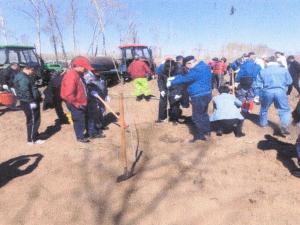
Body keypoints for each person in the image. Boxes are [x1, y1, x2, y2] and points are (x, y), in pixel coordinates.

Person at [168, 57, 212, 142]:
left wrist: (171, 82)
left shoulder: (196, 70)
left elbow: (186, 78)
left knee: (196, 117)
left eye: (186, 66)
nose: (187, 68)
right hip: (206, 94)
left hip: (199, 96)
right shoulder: (203, 66)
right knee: (203, 114)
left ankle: (200, 136)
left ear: (189, 63)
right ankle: (207, 131)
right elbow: (186, 75)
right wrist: (174, 77)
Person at [256, 56, 292, 135]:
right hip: (280, 91)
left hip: (267, 92)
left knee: (264, 108)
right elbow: (289, 81)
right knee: (284, 109)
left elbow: (258, 85)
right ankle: (284, 126)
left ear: (268, 62)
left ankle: (263, 124)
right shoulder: (284, 70)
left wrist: (258, 95)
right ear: (276, 61)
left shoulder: (263, 71)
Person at [61, 56, 92, 143]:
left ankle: (87, 133)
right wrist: (77, 104)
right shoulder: (71, 76)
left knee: (84, 118)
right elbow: (68, 94)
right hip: (75, 102)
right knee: (79, 119)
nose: (86, 70)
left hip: (81, 101)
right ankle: (80, 137)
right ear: (79, 66)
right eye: (85, 68)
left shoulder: (78, 74)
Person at [13, 63, 44, 144]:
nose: (34, 72)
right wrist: (32, 101)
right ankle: (32, 139)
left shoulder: (22, 75)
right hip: (29, 102)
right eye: (34, 71)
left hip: (28, 101)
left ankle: (34, 134)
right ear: (31, 69)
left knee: (34, 119)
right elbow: (25, 91)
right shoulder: (23, 78)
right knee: (33, 120)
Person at [156, 59, 183, 124]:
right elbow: (160, 80)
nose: (169, 70)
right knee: (162, 103)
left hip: (175, 88)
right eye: (167, 68)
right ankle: (161, 118)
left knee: (174, 104)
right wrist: (161, 89)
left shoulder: (179, 70)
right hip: (165, 88)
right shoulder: (162, 69)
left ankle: (174, 119)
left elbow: (181, 83)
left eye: (171, 68)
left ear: (174, 66)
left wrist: (178, 93)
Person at [84, 70, 107, 139]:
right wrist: (90, 93)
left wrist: (105, 95)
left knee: (96, 116)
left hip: (94, 101)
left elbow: (101, 88)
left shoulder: (93, 83)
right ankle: (92, 133)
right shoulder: (85, 83)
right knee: (91, 118)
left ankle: (96, 130)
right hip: (89, 102)